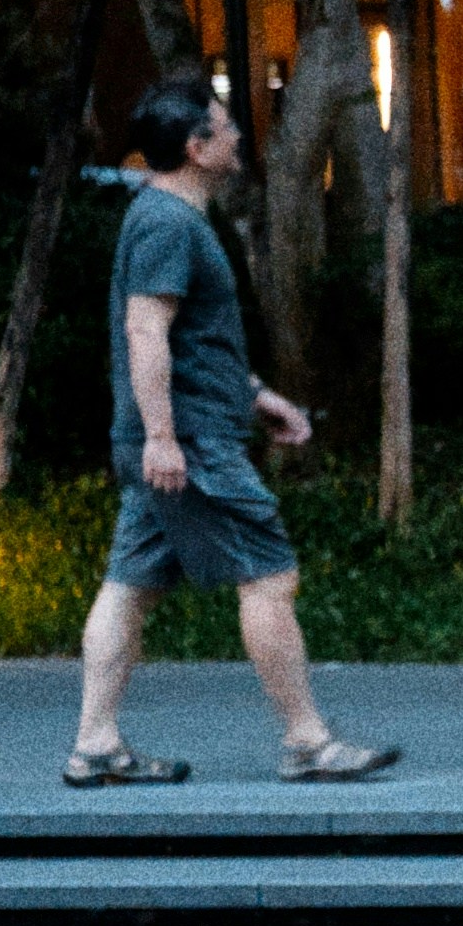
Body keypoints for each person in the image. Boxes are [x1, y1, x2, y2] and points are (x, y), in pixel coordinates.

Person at [67, 76, 393, 787]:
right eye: (225, 126)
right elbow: (145, 330)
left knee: (130, 586)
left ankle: (95, 744)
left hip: (185, 432)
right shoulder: (167, 224)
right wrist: (164, 438)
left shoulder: (167, 217)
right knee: (270, 576)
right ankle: (307, 741)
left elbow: (190, 343)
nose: (239, 134)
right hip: (192, 444)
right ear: (196, 146)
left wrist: (255, 395)